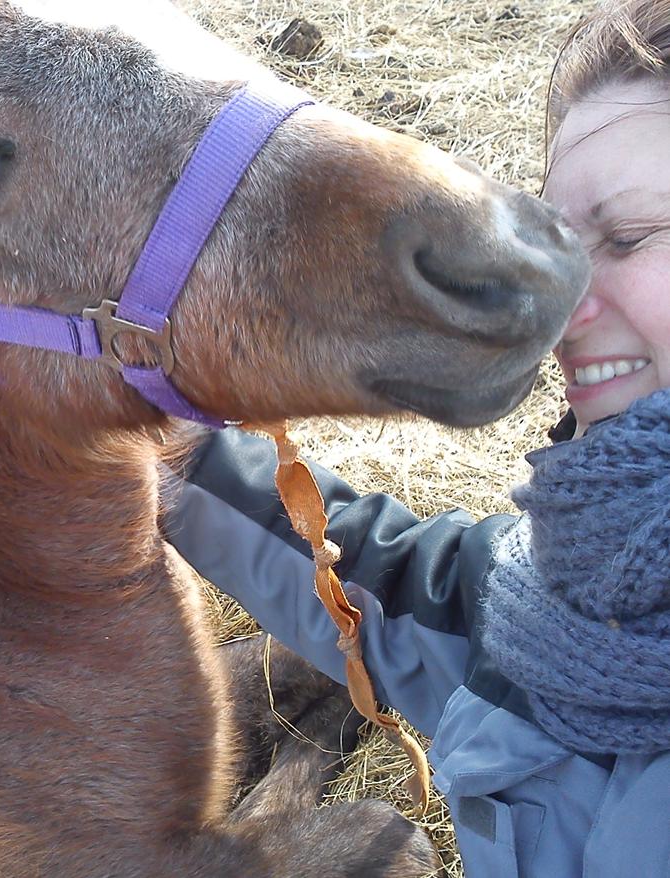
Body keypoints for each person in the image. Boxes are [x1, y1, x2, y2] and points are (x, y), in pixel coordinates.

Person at [165, 1, 670, 875]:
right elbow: (396, 586)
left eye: (627, 237)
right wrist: (174, 453)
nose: (561, 317)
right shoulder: (564, 596)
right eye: (564, 245)